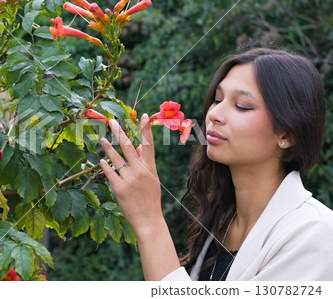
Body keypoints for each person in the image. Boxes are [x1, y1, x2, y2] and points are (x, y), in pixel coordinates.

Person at [98, 48, 333, 281]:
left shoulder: (316, 234)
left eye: (242, 105)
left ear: (288, 135)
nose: (214, 114)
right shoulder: (220, 223)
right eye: (217, 99)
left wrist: (149, 221)